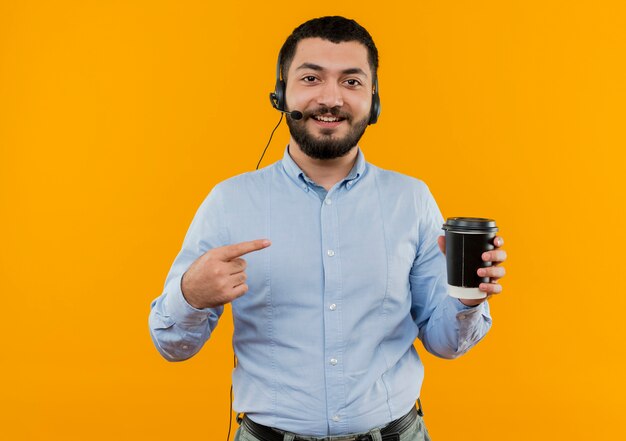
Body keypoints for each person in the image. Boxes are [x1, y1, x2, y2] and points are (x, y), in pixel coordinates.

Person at [149, 16, 507, 441]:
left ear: (373, 99)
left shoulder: (411, 200)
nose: (331, 98)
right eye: (312, 78)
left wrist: (468, 300)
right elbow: (171, 345)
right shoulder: (229, 202)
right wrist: (191, 295)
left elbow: (445, 343)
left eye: (352, 82)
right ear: (282, 93)